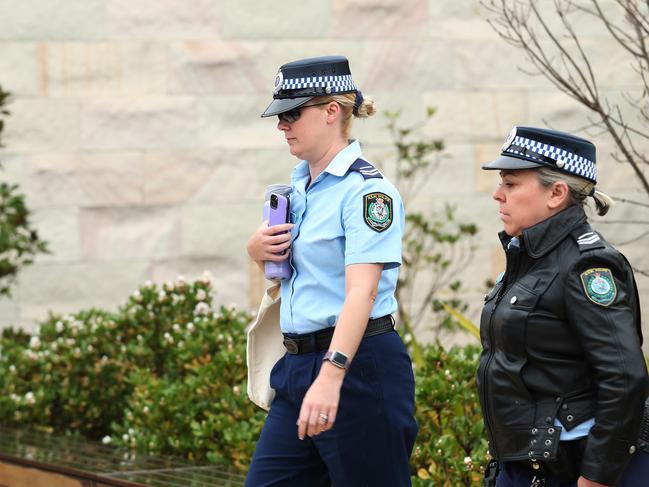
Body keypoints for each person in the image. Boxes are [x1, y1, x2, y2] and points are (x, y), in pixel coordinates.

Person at [245, 55, 418, 487]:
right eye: (279, 116)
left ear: (331, 111)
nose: (282, 125)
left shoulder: (368, 192)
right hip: (298, 366)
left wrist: (332, 372)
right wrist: (257, 252)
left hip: (356, 367)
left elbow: (361, 293)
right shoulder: (298, 187)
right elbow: (297, 277)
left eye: (291, 114)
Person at [477, 126, 649, 487]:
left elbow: (624, 376)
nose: (497, 195)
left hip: (572, 465)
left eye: (510, 184)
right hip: (528, 463)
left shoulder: (587, 266)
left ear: (556, 193)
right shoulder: (529, 256)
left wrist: (596, 477)